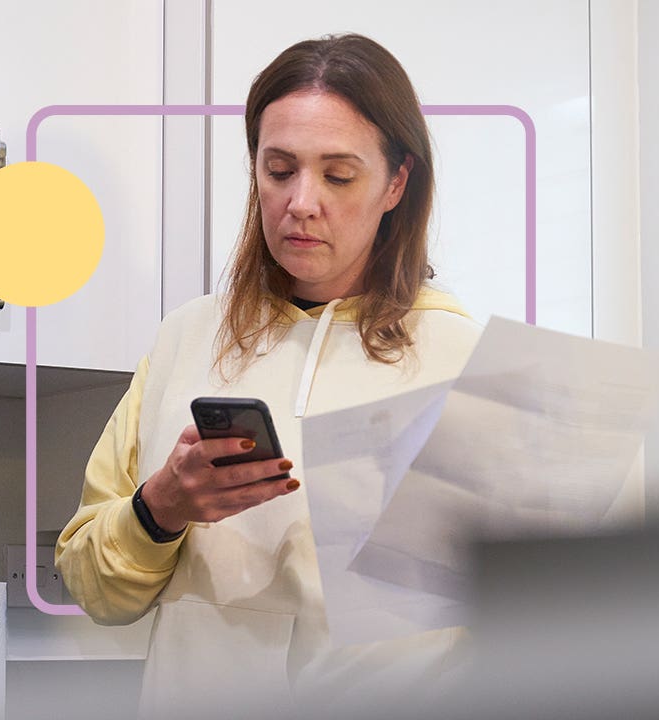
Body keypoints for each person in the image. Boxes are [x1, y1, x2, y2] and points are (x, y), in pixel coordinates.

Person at [55, 33, 482, 718]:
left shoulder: (462, 362)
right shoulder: (185, 339)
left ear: (397, 182)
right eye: (279, 170)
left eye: (338, 175)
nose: (301, 202)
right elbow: (91, 584)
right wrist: (158, 509)